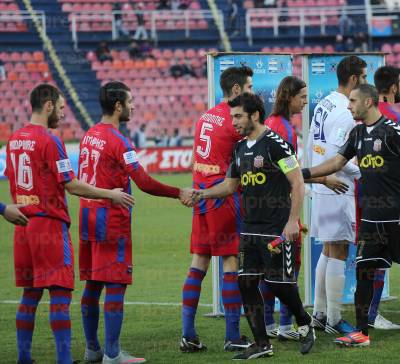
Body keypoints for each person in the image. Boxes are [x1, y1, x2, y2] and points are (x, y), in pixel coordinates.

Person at [5, 84, 135, 364]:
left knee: (30, 294)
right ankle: (64, 360)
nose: (64, 114)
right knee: (60, 293)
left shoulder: (14, 139)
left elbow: (11, 180)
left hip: (22, 225)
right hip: (49, 226)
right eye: (62, 108)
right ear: (49, 105)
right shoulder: (50, 140)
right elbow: (73, 185)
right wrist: (109, 194)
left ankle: (23, 358)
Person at [77, 81, 195, 364]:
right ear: (118, 106)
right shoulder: (119, 141)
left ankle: (92, 349)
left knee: (92, 285)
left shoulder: (89, 134)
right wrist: (178, 192)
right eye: (129, 102)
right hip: (111, 220)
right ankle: (113, 354)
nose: (133, 106)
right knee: (115, 285)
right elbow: (142, 182)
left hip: (87, 217)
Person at [302, 84, 400, 347]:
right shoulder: (358, 132)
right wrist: (304, 174)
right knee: (364, 274)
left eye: (353, 101)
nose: (349, 106)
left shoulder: (393, 130)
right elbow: (337, 162)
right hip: (371, 219)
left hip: (398, 217)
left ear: (369, 102)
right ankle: (361, 333)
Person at [195, 93, 316, 359]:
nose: (233, 122)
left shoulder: (276, 144)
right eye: (232, 117)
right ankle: (262, 344)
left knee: (279, 286)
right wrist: (201, 194)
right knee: (246, 285)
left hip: (275, 229)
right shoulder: (239, 149)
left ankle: (305, 323)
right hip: (249, 230)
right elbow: (230, 186)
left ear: (255, 115)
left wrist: (293, 221)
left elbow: (297, 182)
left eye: (238, 116)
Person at [263, 76, 347, 340]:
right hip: (281, 205)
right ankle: (287, 326)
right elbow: (290, 172)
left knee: (272, 268)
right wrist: (324, 178)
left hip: (269, 203)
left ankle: (269, 323)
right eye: (302, 97)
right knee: (288, 266)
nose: (306, 101)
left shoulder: (276, 124)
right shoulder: (283, 129)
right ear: (289, 97)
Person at [180, 66, 254, 353]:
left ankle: (188, 333)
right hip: (222, 196)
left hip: (201, 196)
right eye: (248, 87)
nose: (251, 92)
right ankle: (233, 334)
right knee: (231, 263)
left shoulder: (205, 116)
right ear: (236, 90)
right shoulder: (235, 121)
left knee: (199, 262)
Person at [308, 56, 366, 336]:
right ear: (354, 79)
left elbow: (313, 145)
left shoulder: (324, 102)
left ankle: (319, 314)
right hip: (337, 185)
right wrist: (363, 171)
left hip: (322, 184)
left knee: (329, 249)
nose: (366, 84)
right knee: (340, 249)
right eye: (364, 77)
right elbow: (337, 155)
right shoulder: (345, 110)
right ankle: (334, 318)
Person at [363, 65, 400, 331]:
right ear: (393, 87)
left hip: (365, 196)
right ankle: (372, 312)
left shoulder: (367, 116)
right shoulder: (391, 118)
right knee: (399, 260)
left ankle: (366, 312)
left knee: (370, 258)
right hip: (389, 201)